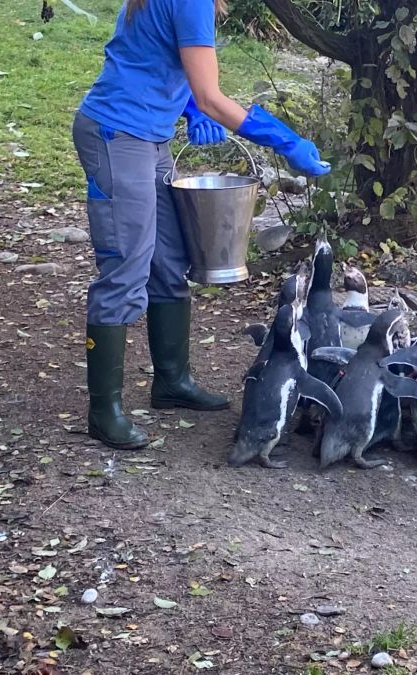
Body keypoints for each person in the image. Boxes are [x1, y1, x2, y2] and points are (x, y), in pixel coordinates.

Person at [73, 0, 330, 450]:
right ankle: (103, 411)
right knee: (127, 268)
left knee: (169, 261)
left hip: (150, 137)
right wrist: (282, 138)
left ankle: (171, 382)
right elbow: (212, 95)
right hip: (117, 135)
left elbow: (156, 57)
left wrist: (189, 107)